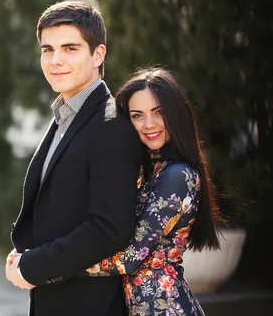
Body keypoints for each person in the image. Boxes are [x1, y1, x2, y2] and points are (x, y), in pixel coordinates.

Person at [5, 0, 143, 316]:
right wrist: (24, 255)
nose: (55, 60)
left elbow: (109, 228)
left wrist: (34, 266)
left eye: (69, 49)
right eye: (47, 49)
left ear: (98, 54)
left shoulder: (111, 124)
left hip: (90, 305)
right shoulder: (64, 116)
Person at [79, 67, 223, 315]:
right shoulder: (150, 173)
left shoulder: (177, 176)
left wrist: (53, 266)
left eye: (159, 113)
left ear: (176, 114)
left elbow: (130, 259)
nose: (149, 124)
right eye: (137, 115)